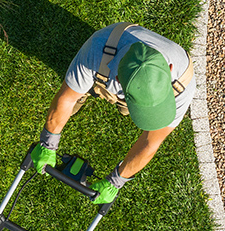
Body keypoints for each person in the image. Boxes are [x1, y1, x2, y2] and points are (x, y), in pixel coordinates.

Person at [30, 22, 196, 204]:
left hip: (120, 80)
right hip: (105, 66)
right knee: (76, 94)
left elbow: (150, 142)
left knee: (126, 110)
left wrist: (116, 182)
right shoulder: (96, 50)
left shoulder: (183, 82)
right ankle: (90, 89)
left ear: (170, 69)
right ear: (118, 81)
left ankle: (124, 104)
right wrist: (48, 142)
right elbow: (66, 99)